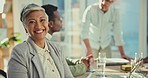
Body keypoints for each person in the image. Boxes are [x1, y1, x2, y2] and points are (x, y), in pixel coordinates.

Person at [7, 3, 74, 78]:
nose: (38, 26)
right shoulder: (19, 53)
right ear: (25, 28)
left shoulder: (56, 48)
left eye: (42, 20)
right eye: (32, 22)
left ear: (47, 24)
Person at [41, 4, 92, 77]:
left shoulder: (49, 42)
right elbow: (59, 70)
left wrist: (79, 61)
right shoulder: (42, 44)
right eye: (59, 19)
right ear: (51, 24)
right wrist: (83, 66)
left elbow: (60, 60)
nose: (61, 21)